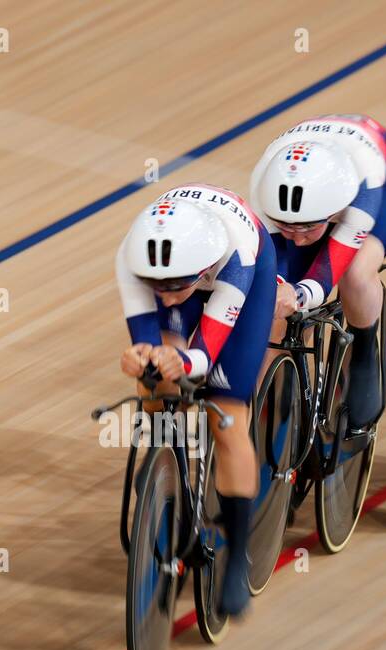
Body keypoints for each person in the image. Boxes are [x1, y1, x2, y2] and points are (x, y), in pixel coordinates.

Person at [115, 184, 277, 616]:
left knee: (228, 415)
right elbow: (149, 341)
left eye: (174, 288)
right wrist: (143, 358)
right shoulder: (132, 258)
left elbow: (203, 356)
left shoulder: (238, 260)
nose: (165, 296)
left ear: (202, 270)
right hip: (187, 270)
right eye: (157, 287)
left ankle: (238, 556)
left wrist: (182, 361)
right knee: (155, 380)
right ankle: (165, 465)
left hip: (243, 281)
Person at [250, 114, 386, 443]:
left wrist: (298, 295)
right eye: (287, 228)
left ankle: (365, 350)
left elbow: (325, 276)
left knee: (355, 272)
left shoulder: (360, 195)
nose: (296, 238)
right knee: (277, 309)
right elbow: (274, 267)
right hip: (314, 172)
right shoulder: (263, 188)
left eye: (307, 228)